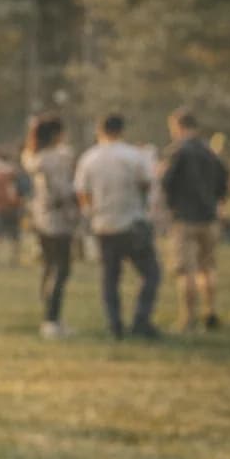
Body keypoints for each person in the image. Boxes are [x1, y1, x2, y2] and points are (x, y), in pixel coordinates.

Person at [74, 113, 163, 339]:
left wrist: (92, 213)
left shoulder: (89, 158)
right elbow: (146, 184)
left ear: (99, 130)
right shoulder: (134, 155)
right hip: (132, 222)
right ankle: (141, 320)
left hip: (103, 224)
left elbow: (82, 192)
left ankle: (114, 324)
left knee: (110, 278)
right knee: (150, 273)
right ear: (122, 130)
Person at [160, 108, 229, 331]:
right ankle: (211, 311)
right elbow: (223, 182)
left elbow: (166, 182)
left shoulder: (177, 151)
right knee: (207, 268)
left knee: (185, 271)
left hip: (184, 218)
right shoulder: (210, 152)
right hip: (209, 217)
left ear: (178, 127)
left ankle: (187, 319)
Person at [21, 114, 78, 339]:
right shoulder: (58, 157)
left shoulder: (33, 156)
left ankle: (50, 316)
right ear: (56, 134)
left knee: (49, 267)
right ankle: (52, 319)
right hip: (59, 219)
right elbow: (63, 189)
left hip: (41, 217)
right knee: (62, 270)